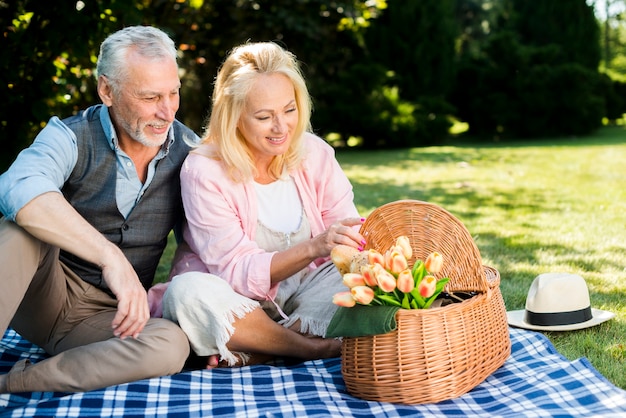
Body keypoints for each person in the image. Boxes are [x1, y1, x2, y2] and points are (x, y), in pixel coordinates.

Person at [0, 26, 197, 393]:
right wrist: (111, 258)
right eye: (150, 96)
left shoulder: (190, 153)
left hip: (111, 319)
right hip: (43, 295)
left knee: (171, 345)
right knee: (16, 228)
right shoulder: (68, 135)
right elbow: (18, 186)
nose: (167, 111)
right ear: (107, 91)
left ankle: (16, 383)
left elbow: (205, 248)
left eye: (173, 93)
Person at [155, 41, 365, 367]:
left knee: (367, 273)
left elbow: (350, 237)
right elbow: (236, 272)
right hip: (235, 299)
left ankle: (266, 345)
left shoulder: (315, 153)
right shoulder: (203, 170)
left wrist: (360, 253)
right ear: (235, 116)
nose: (282, 128)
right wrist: (313, 247)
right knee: (185, 293)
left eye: (289, 110)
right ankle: (307, 347)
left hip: (306, 293)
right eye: (264, 116)